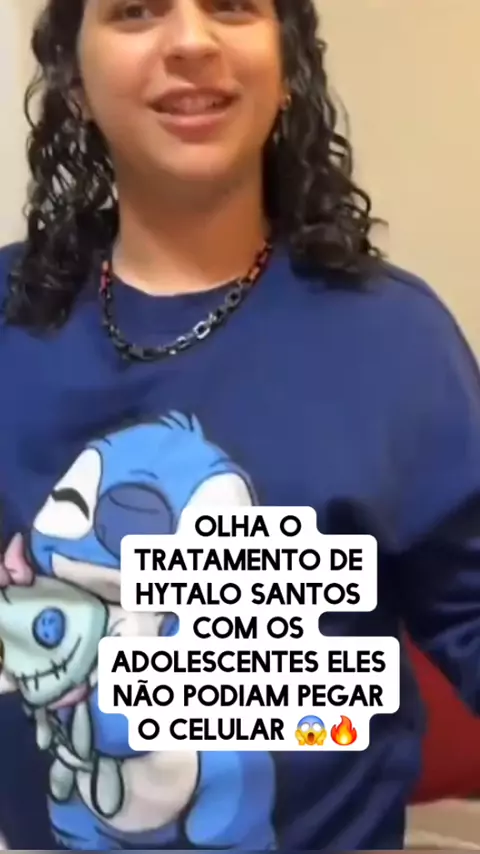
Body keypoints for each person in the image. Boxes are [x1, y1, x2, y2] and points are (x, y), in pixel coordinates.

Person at [1, 0, 480, 849]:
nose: (191, 41)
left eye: (231, 6)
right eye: (136, 10)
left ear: (287, 67)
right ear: (74, 78)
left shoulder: (395, 340)